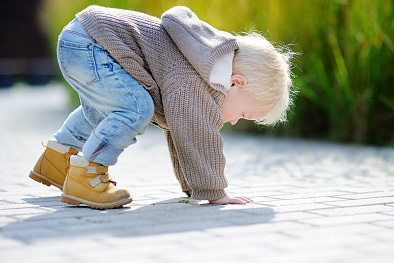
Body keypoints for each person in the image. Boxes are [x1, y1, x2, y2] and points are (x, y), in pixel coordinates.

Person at [29, 5, 295, 209]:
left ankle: (58, 159)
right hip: (92, 44)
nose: (236, 121)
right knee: (136, 108)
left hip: (79, 39)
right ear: (236, 83)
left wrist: (194, 187)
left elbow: (181, 131)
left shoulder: (202, 65)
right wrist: (215, 192)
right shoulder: (195, 77)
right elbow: (197, 135)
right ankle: (87, 176)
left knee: (102, 111)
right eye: (244, 113)